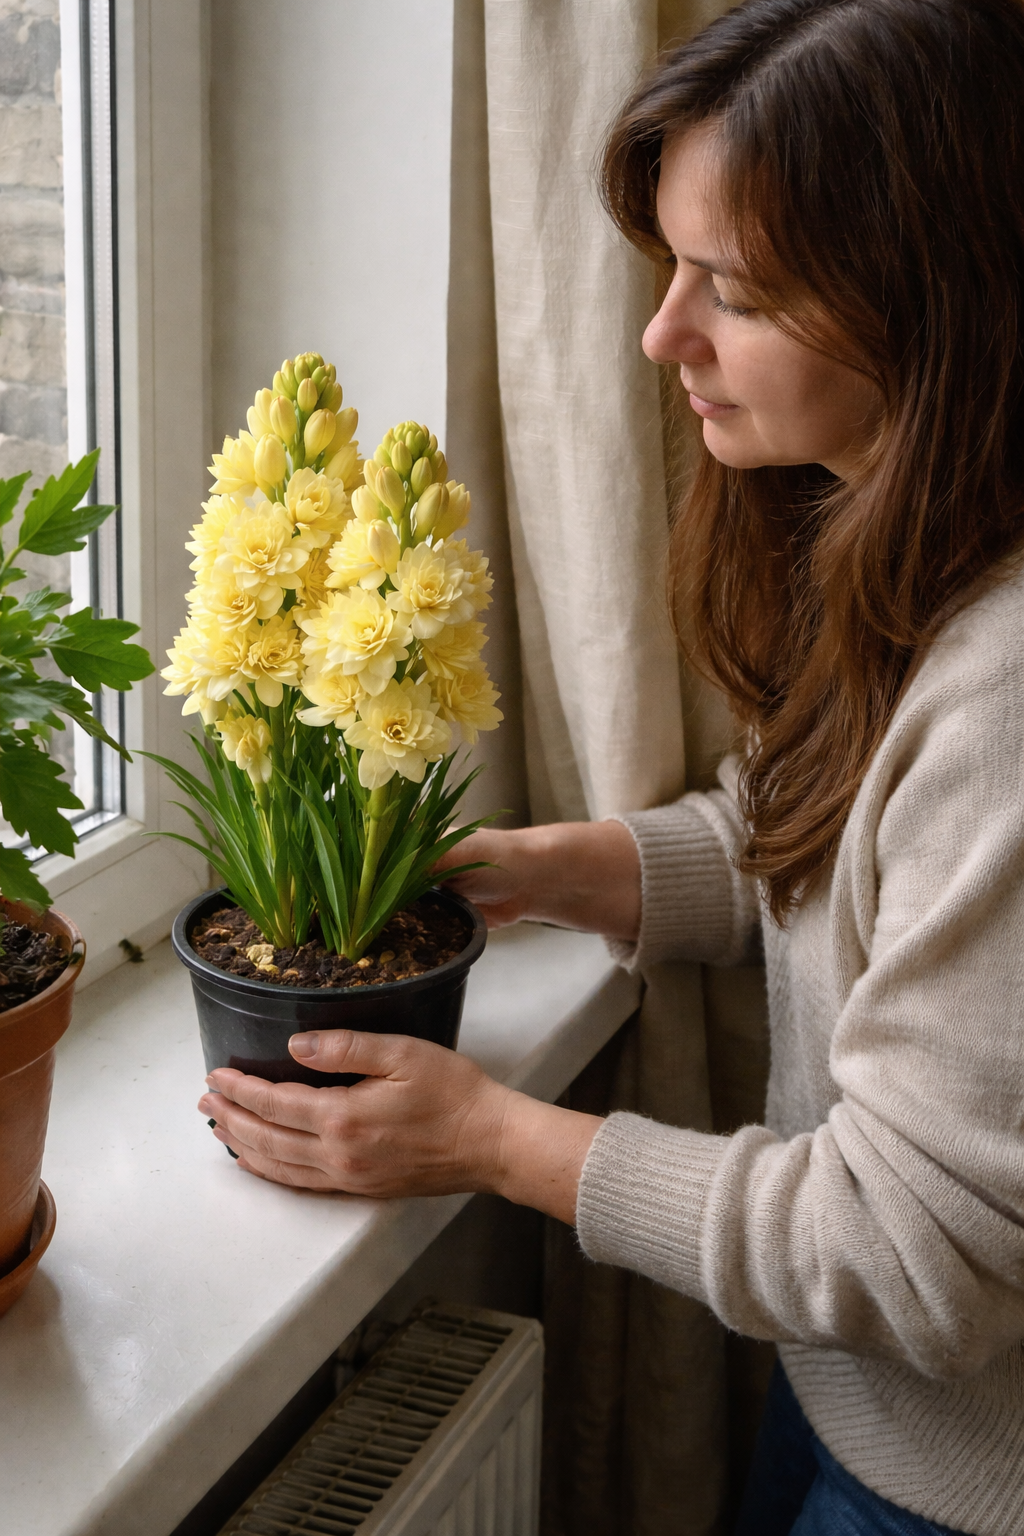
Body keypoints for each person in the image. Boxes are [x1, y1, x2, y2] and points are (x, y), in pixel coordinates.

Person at [196, 1, 1024, 1530]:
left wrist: (488, 1138)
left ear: (939, 302)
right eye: (672, 268)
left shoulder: (1008, 695)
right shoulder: (898, 542)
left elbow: (918, 1256)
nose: (663, 335)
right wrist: (570, 870)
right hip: (850, 1404)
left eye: (738, 291)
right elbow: (854, 848)